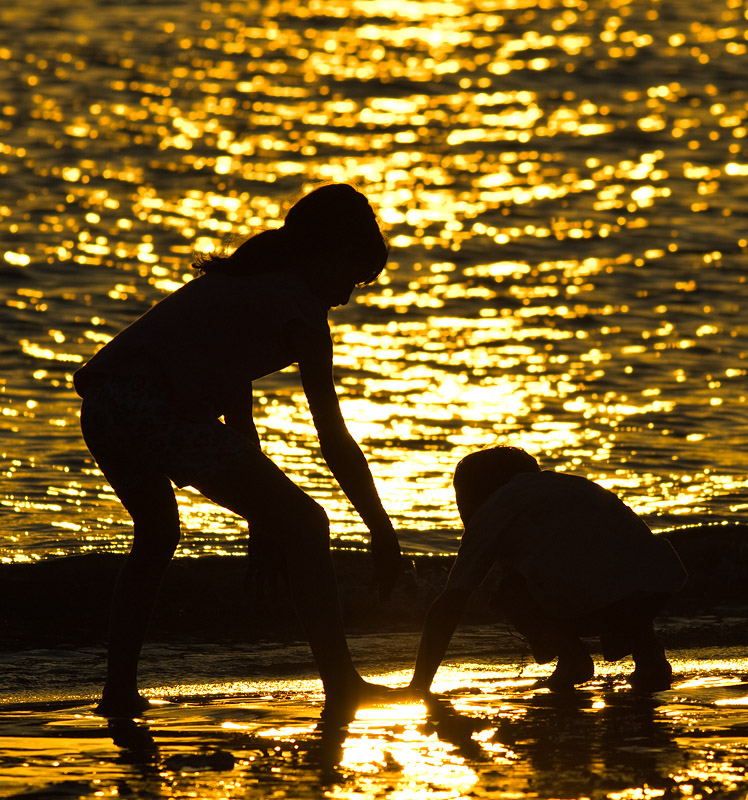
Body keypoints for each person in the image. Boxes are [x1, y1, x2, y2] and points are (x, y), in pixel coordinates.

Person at [74, 183, 402, 718]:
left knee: (158, 536)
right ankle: (342, 681)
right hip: (151, 406)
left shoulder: (247, 283)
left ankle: (117, 689)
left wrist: (261, 519)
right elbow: (332, 437)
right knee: (308, 522)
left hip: (107, 406)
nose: (346, 295)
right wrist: (381, 530)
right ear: (321, 253)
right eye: (350, 274)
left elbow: (234, 404)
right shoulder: (298, 313)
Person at [409, 446, 687, 695]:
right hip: (659, 579)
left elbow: (451, 602)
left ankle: (572, 659)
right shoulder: (568, 486)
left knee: (510, 592)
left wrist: (419, 684)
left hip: (602, 593)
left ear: (471, 498)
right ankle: (649, 656)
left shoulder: (494, 509)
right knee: (615, 570)